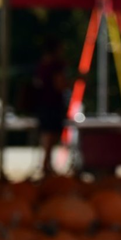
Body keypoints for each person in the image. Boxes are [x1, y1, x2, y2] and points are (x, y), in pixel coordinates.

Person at [32, 38, 68, 175]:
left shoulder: (41, 65)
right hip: (52, 104)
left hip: (42, 104)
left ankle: (46, 165)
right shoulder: (55, 65)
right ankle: (46, 165)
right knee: (50, 134)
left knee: (47, 134)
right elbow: (59, 85)